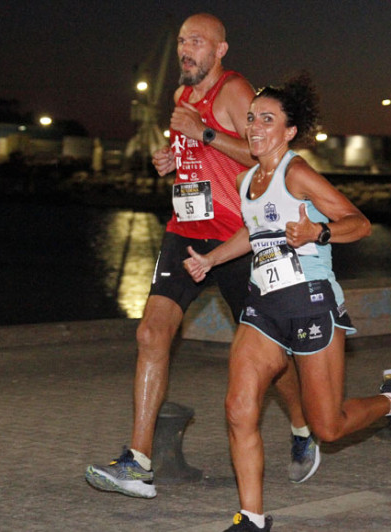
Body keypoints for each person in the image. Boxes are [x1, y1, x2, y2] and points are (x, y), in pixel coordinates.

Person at [184, 73, 391, 532]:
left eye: (268, 119)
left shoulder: (296, 172)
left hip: (310, 303)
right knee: (238, 407)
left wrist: (318, 232)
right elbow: (253, 231)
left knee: (328, 427)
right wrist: (211, 259)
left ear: (289, 131)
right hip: (263, 307)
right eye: (253, 118)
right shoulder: (246, 180)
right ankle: (251, 519)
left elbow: (358, 223)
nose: (256, 127)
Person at [85, 13, 317, 499]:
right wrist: (170, 163)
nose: (186, 50)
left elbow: (265, 158)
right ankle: (138, 461)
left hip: (238, 240)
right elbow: (194, 163)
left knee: (269, 361)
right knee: (151, 331)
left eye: (196, 42)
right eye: (182, 42)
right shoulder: (180, 98)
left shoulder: (235, 92)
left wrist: (204, 132)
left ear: (220, 50)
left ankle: (302, 427)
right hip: (185, 230)